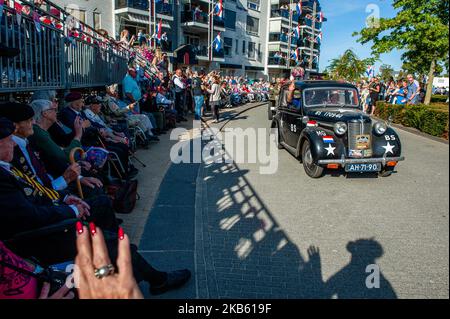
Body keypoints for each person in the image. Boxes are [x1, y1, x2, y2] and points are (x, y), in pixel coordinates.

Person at [0, 118, 192, 296]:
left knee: (102, 209)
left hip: (47, 215)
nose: (14, 143)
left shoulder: (6, 168)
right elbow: (29, 215)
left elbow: (35, 194)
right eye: (9, 140)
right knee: (113, 243)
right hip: (37, 237)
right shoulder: (3, 177)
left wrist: (65, 199)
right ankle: (155, 279)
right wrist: (71, 210)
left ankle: (118, 255)